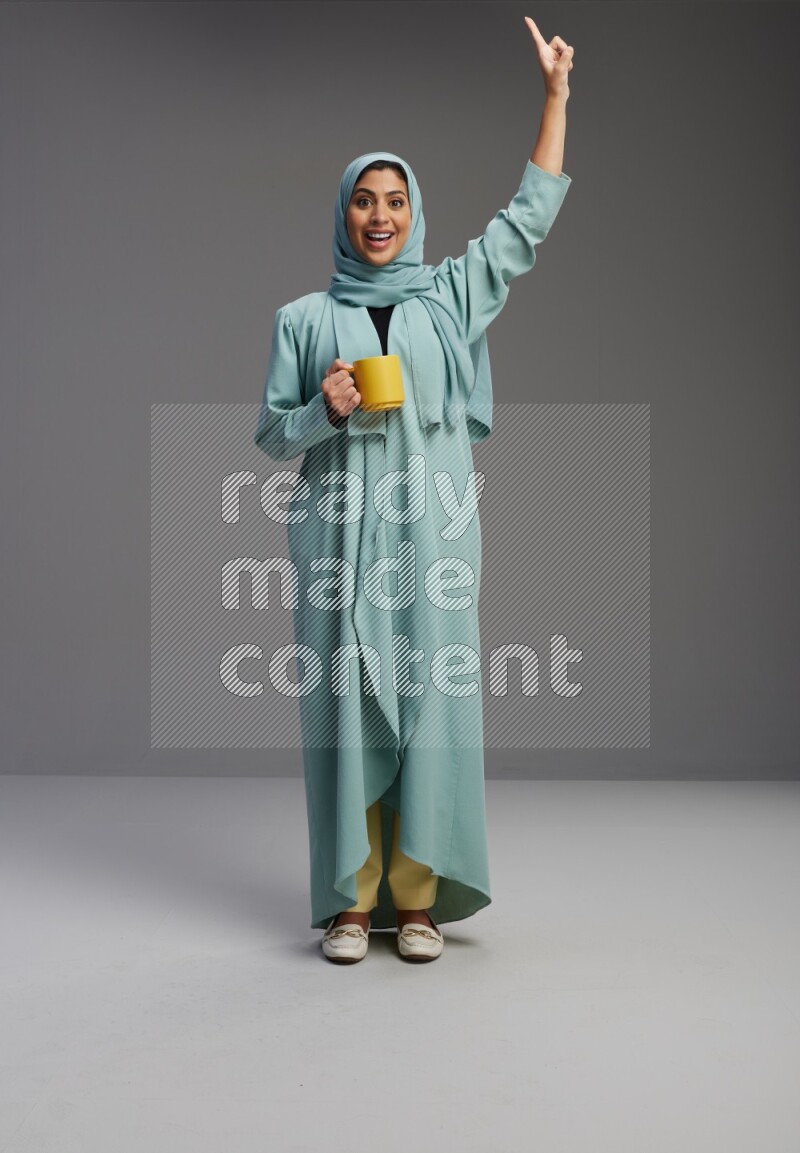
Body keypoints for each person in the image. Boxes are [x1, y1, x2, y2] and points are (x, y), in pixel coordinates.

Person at [254, 17, 574, 963]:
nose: (381, 215)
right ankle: (352, 904)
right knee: (349, 708)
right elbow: (270, 437)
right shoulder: (304, 319)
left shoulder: (451, 298)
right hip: (338, 550)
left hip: (432, 549)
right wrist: (323, 407)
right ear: (343, 214)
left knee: (432, 709)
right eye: (364, 201)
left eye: (395, 199)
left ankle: (419, 897)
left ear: (414, 209)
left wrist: (555, 98)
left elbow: (526, 223)